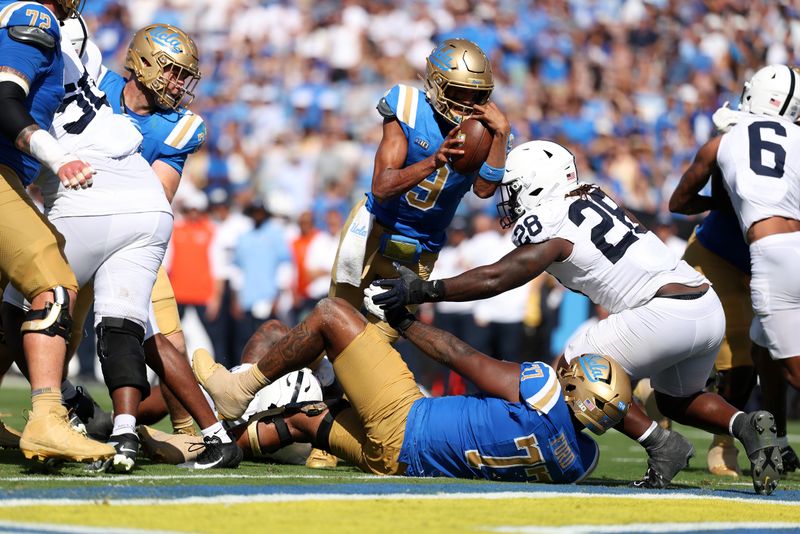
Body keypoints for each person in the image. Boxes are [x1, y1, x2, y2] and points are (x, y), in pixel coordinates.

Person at [370, 139, 782, 495]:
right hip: (703, 305)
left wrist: (427, 289)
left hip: (664, 310)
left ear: (536, 184)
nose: (508, 200)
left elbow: (499, 277)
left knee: (573, 371)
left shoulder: (550, 218)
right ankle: (744, 425)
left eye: (514, 190)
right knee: (678, 397)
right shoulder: (591, 195)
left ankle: (661, 444)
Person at [192, 297, 631, 483]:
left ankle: (238, 387)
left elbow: (464, 357)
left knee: (331, 313)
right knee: (304, 421)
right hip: (405, 465)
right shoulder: (581, 462)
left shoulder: (545, 390)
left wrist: (405, 323)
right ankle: (207, 447)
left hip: (407, 420)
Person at [86, 23, 241, 468]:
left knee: (162, 337)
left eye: (182, 75)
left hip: (128, 237)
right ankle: (64, 407)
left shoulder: (177, 127)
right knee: (27, 311)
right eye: (172, 72)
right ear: (143, 62)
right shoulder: (96, 84)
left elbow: (155, 197)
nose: (178, 84)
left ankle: (192, 434)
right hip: (74, 225)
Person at [329, 38, 510, 342]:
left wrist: (502, 135)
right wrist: (435, 160)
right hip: (373, 230)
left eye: (475, 95)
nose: (467, 103)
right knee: (335, 321)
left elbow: (483, 190)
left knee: (379, 341)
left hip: (421, 248)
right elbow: (382, 187)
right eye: (459, 92)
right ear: (438, 85)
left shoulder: (490, 130)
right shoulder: (409, 106)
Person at [0, 0, 114, 463]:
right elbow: (4, 100)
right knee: (52, 283)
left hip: (10, 176)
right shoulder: (33, 15)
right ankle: (48, 417)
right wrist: (56, 155)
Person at [673, 64, 800, 475]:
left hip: (767, 257)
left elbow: (679, 202)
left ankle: (757, 438)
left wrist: (725, 199)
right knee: (752, 352)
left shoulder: (725, 140)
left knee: (774, 359)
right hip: (729, 254)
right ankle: (760, 440)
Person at [669, 110, 761, 477]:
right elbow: (679, 203)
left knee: (751, 355)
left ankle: (731, 440)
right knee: (730, 354)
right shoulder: (732, 144)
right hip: (717, 254)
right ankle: (724, 443)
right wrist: (720, 202)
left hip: (762, 262)